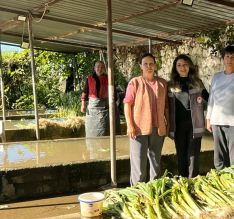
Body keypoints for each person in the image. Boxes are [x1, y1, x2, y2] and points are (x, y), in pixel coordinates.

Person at [123, 53, 170, 185]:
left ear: (154, 65)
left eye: (151, 63)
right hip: (139, 128)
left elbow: (166, 105)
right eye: (146, 64)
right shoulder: (135, 82)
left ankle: (154, 188)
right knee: (138, 162)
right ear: (141, 66)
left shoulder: (162, 83)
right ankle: (138, 191)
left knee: (155, 161)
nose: (149, 66)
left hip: (158, 127)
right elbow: (127, 103)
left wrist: (168, 124)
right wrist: (129, 125)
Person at [167, 54, 209, 178]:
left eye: (185, 64)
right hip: (178, 125)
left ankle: (193, 180)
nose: (182, 67)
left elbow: (210, 99)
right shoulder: (170, 85)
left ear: (190, 66)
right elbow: (164, 105)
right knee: (181, 154)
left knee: (194, 154)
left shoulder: (197, 83)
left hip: (194, 124)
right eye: (179, 65)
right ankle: (183, 180)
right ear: (175, 68)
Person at [81, 61, 121, 137]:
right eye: (98, 66)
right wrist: (83, 104)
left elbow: (114, 92)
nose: (100, 68)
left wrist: (113, 104)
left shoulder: (109, 78)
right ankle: (93, 146)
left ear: (105, 69)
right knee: (92, 131)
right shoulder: (90, 78)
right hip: (93, 107)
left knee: (108, 128)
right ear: (94, 68)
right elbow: (85, 91)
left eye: (102, 67)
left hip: (106, 106)